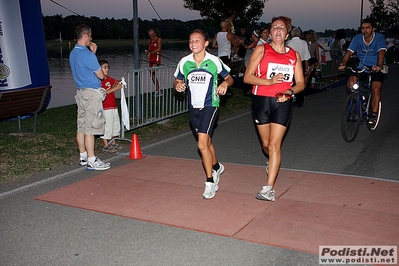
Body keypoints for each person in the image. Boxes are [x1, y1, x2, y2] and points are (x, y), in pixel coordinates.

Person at [243, 16, 305, 201]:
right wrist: (269, 81)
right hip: (261, 100)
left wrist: (290, 91)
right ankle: (271, 162)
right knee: (266, 145)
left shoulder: (294, 55)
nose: (278, 30)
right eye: (274, 27)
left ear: (286, 34)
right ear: (270, 33)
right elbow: (247, 77)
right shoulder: (262, 50)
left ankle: (268, 188)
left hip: (283, 102)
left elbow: (301, 83)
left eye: (282, 28)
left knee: (275, 145)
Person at [174, 29, 234, 199]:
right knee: (206, 141)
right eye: (191, 41)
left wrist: (225, 84)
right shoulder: (184, 62)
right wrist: (177, 85)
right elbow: (178, 79)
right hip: (193, 106)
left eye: (197, 41)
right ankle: (216, 167)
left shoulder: (214, 61)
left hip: (210, 105)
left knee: (201, 144)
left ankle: (210, 182)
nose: (193, 44)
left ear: (206, 43)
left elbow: (230, 78)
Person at [69, 24, 110, 171]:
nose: (91, 38)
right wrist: (93, 54)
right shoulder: (87, 55)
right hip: (91, 94)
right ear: (85, 35)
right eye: (90, 35)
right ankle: (92, 160)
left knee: (81, 126)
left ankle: (83, 156)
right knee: (91, 128)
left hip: (80, 93)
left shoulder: (73, 53)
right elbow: (100, 75)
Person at [338, 18, 387, 126]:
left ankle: (373, 115)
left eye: (368, 28)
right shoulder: (357, 38)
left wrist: (379, 66)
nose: (365, 31)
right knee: (351, 83)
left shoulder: (379, 38)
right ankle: (358, 102)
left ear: (373, 28)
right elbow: (349, 52)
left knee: (375, 89)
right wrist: (343, 63)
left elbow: (381, 53)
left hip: (376, 67)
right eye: (363, 28)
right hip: (362, 66)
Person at [98, 59, 123, 153]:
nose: (107, 69)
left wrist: (121, 81)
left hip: (113, 106)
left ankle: (113, 142)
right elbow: (104, 92)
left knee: (114, 125)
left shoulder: (108, 78)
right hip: (106, 107)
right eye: (104, 67)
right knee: (107, 126)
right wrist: (115, 88)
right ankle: (105, 145)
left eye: (108, 67)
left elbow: (115, 82)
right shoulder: (99, 81)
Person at [286, 27, 310, 107]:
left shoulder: (289, 43)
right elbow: (306, 57)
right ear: (299, 34)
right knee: (300, 82)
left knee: (291, 82)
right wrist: (306, 68)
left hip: (291, 63)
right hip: (301, 63)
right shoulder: (304, 43)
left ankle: (292, 99)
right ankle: (300, 101)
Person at [145, 29, 162, 97]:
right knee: (152, 76)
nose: (151, 36)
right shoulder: (149, 41)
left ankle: (158, 90)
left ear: (155, 33)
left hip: (157, 58)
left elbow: (159, 49)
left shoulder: (158, 39)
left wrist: (151, 52)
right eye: (150, 35)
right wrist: (148, 52)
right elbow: (149, 49)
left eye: (152, 35)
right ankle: (158, 90)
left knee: (153, 72)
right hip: (151, 59)